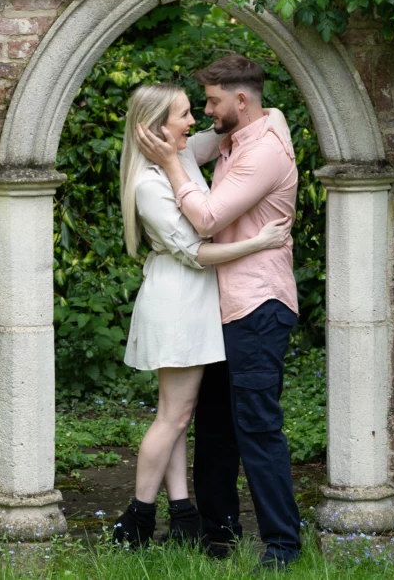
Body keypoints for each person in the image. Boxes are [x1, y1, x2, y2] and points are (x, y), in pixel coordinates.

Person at [134, 55, 301, 570]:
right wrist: (165, 153)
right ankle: (217, 534)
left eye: (211, 101)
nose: (206, 111)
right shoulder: (232, 138)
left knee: (256, 426)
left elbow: (205, 219)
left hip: (257, 305)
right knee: (213, 427)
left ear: (241, 100)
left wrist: (167, 164)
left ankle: (281, 545)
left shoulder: (263, 153)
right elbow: (188, 148)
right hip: (221, 307)